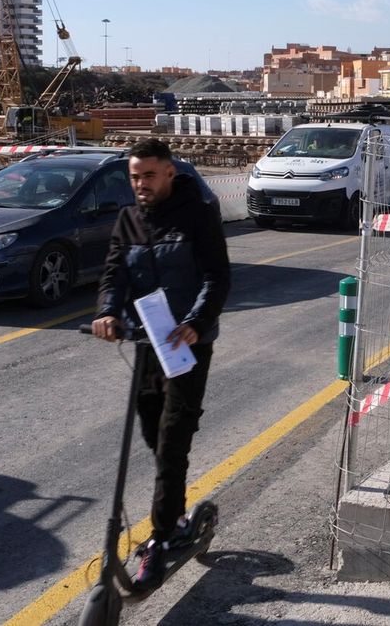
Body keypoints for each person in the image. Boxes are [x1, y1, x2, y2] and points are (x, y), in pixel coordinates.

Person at [90, 139, 231, 592]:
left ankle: (162, 534)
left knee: (173, 439)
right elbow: (114, 273)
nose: (140, 185)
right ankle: (176, 511)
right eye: (134, 177)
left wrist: (196, 321)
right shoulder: (129, 219)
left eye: (148, 175)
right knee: (152, 430)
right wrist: (108, 311)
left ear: (169, 172)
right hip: (148, 341)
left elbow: (217, 276)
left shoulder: (198, 213)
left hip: (186, 344)